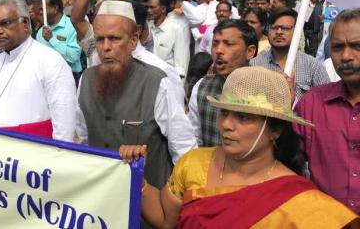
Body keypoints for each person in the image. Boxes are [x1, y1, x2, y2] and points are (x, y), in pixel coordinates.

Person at [120, 66, 359, 228]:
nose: (226, 125)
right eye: (224, 113)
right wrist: (135, 177)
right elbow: (164, 221)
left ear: (275, 131)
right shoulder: (193, 163)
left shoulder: (300, 202)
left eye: (244, 117)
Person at [76, 1, 197, 203]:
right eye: (99, 39)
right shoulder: (86, 80)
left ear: (133, 40)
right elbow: (83, 138)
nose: (105, 47)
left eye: (114, 39)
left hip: (148, 206)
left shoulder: (158, 81)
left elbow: (184, 149)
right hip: (102, 202)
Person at [0, 0, 77, 141]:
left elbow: (65, 127)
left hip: (34, 157)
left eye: (5, 23)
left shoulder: (50, 61)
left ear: (25, 23)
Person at [295, 8, 360, 214]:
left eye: (357, 46)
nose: (346, 56)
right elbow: (286, 159)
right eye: (338, 47)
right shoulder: (312, 103)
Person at [188, 20, 258, 146]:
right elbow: (194, 137)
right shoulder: (202, 86)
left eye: (228, 44)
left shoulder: (267, 86)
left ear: (250, 51)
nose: (219, 50)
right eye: (215, 44)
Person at [251, 8, 330, 103]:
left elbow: (326, 102)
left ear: (297, 32)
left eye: (285, 28)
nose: (279, 32)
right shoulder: (255, 65)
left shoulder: (312, 66)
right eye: (274, 27)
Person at [36, 0, 82, 82]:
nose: (40, 12)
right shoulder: (41, 32)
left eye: (43, 9)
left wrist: (52, 39)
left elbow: (74, 56)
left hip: (69, 77)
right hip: (46, 78)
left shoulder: (72, 26)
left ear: (55, 8)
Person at [146, 0, 191, 79]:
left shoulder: (176, 29)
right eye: (147, 7)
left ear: (163, 9)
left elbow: (180, 65)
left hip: (166, 80)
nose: (148, 10)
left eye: (152, 7)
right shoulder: (146, 28)